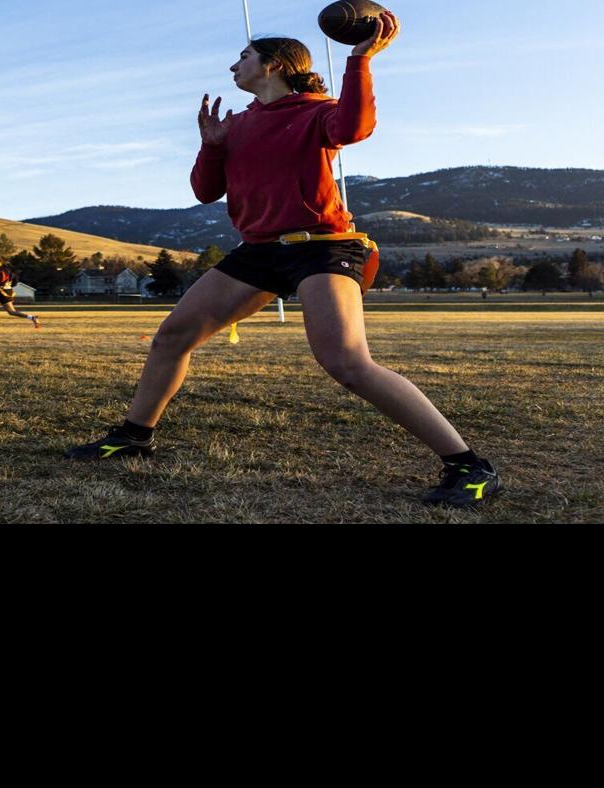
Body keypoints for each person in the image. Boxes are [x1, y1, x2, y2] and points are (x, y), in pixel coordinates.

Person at [65, 13, 500, 508]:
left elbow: (356, 129)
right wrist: (211, 147)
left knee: (346, 362)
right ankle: (133, 436)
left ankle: (470, 465)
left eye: (244, 57)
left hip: (322, 245)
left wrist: (359, 60)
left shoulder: (316, 110)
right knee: (171, 337)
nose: (234, 65)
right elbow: (205, 192)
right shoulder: (239, 124)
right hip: (259, 251)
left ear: (273, 65)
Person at [0, 257, 40, 331]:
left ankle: (32, 317)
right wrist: (9, 285)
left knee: (11, 312)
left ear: (1, 262)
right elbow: (16, 278)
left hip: (3, 292)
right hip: (5, 291)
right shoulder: (7, 270)